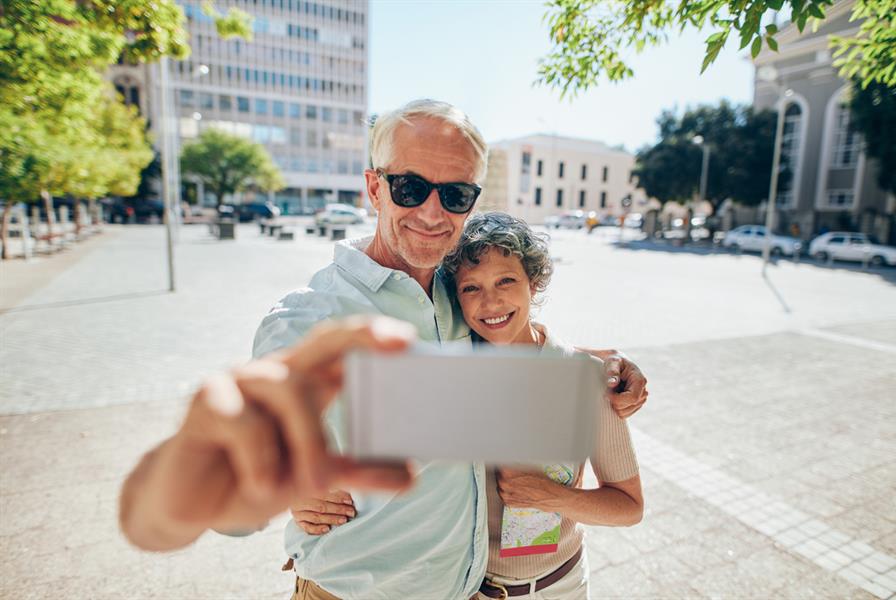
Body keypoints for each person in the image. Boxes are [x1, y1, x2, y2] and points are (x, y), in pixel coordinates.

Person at [119, 99, 649, 600]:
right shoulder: (309, 317)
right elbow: (229, 501)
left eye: (456, 194)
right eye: (410, 187)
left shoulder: (459, 291)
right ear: (374, 188)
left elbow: (515, 337)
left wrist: (600, 365)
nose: (433, 212)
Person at [444, 212, 642, 599]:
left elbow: (630, 506)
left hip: (558, 588)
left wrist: (552, 496)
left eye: (506, 280)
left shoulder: (587, 381)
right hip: (466, 589)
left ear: (533, 284)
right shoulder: (452, 373)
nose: (491, 301)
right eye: (471, 288)